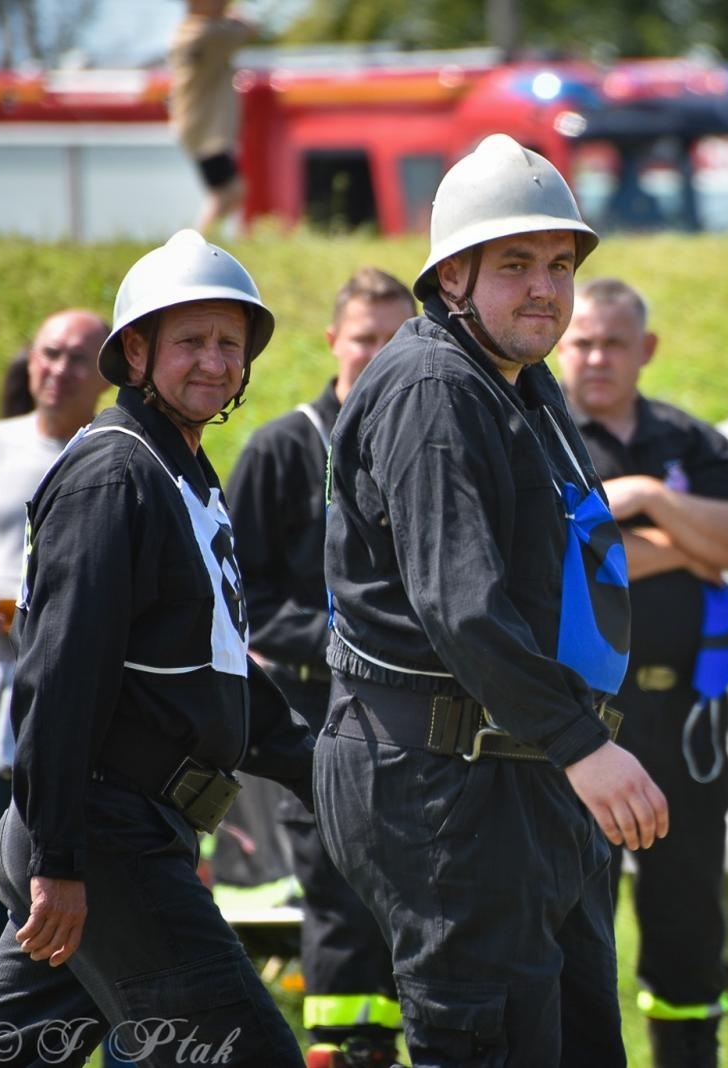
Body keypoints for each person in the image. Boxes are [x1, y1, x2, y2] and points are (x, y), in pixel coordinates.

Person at [319, 134, 669, 1068]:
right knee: (489, 1044)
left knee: (580, 1036)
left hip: (522, 772)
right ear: (453, 278)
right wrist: (583, 745)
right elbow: (459, 602)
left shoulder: (520, 381)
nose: (546, 287)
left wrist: (568, 744)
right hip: (443, 782)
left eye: (560, 264)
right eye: (515, 265)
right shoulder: (434, 387)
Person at [0, 230, 315, 1066]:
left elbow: (225, 675)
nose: (214, 361)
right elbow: (58, 674)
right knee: (250, 1053)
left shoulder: (187, 475)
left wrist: (330, 767)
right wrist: (60, 857)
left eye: (230, 342)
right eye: (190, 340)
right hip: (98, 835)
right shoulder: (114, 475)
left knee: (6, 1057)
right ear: (135, 350)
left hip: (125, 832)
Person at [556, 277, 728, 1068]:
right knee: (581, 917)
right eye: (583, 341)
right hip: (584, 726)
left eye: (614, 342)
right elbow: (565, 560)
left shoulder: (693, 442)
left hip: (684, 722)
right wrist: (683, 546)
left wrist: (643, 497)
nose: (598, 356)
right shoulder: (543, 437)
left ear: (646, 350)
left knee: (686, 918)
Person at [224, 267, 414, 1068]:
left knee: (413, 895)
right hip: (319, 714)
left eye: (394, 340)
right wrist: (342, 634)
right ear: (334, 340)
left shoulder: (427, 440)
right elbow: (236, 595)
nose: (376, 355)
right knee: (338, 896)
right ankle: (341, 1048)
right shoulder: (283, 447)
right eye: (364, 338)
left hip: (417, 720)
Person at [0, 313, 110, 998]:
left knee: (22, 901)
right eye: (49, 353)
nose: (58, 370)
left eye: (79, 359)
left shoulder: (107, 457)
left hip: (48, 710)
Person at [168, 0, 254, 234]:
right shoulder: (209, 34)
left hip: (199, 128)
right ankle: (202, 242)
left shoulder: (187, 33)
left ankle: (205, 242)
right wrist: (236, 18)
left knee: (226, 191)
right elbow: (248, 29)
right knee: (228, 191)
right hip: (205, 130)